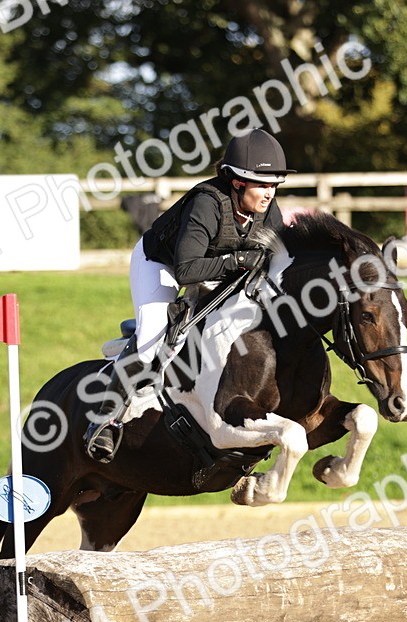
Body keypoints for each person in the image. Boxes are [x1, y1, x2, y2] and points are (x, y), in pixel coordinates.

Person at [83, 128, 293, 463]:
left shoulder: (267, 209)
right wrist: (240, 260)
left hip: (218, 270)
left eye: (274, 185)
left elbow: (279, 259)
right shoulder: (206, 203)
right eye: (262, 184)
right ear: (237, 182)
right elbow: (187, 270)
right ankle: (103, 419)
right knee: (153, 335)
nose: (269, 193)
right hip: (162, 263)